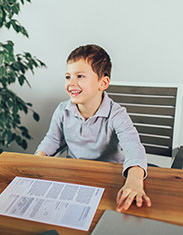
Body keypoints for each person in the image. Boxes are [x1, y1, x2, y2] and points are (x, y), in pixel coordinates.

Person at [35, 44, 151, 213]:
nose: (71, 83)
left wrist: (134, 180)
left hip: (109, 179)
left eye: (80, 76)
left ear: (103, 83)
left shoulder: (117, 114)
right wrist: (39, 157)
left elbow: (134, 147)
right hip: (74, 176)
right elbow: (52, 140)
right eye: (68, 77)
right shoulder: (62, 110)